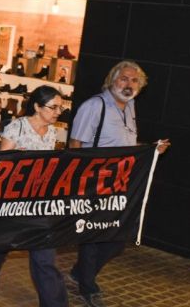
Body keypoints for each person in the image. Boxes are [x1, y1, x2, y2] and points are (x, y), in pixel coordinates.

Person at [67, 60, 170, 307]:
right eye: (123, 78)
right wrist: (79, 182)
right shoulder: (95, 105)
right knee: (94, 234)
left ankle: (80, 272)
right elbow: (75, 144)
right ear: (112, 79)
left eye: (134, 80)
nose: (128, 84)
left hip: (121, 182)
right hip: (94, 181)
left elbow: (124, 145)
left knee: (116, 238)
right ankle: (88, 286)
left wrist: (151, 149)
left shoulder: (130, 106)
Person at [0, 85, 69, 307]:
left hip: (39, 202)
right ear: (36, 106)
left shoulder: (53, 132)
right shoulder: (17, 128)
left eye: (60, 108)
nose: (58, 112)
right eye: (53, 107)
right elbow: (3, 166)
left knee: (45, 255)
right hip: (12, 201)